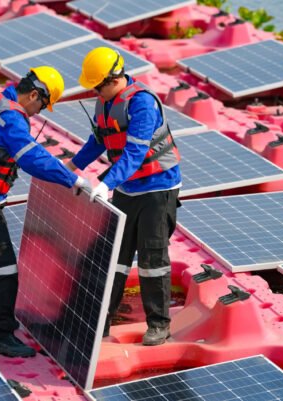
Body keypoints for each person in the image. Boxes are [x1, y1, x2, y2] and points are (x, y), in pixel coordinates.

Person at [0, 66, 91, 358]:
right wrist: (73, 179)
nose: (39, 112)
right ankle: (2, 335)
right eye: (42, 105)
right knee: (4, 269)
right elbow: (32, 158)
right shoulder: (9, 118)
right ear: (34, 94)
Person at [65, 48, 181, 346]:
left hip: (157, 190)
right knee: (114, 257)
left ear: (114, 78)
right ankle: (100, 321)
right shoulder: (104, 102)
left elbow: (135, 152)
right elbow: (98, 140)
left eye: (98, 86)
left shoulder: (142, 103)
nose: (95, 91)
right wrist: (73, 166)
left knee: (152, 260)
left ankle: (159, 324)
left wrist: (105, 181)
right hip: (127, 189)